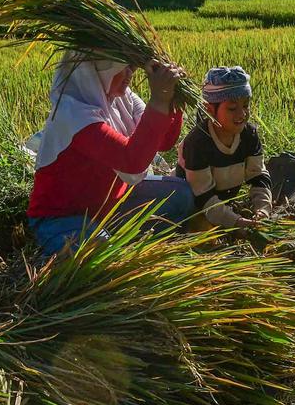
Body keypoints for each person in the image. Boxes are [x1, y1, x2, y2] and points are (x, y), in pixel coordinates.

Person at [26, 53, 194, 257]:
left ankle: (121, 240)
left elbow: (164, 142)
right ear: (97, 70)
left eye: (132, 68)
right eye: (122, 68)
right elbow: (131, 162)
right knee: (104, 255)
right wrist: (158, 100)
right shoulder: (72, 114)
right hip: (64, 217)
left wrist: (172, 102)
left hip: (112, 204)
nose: (130, 74)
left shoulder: (122, 98)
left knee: (181, 194)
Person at [177, 66, 273, 228]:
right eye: (232, 108)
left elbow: (258, 176)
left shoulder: (249, 135)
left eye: (245, 105)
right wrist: (236, 222)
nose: (242, 114)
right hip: (193, 207)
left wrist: (262, 210)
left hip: (221, 205)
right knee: (205, 234)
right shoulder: (197, 143)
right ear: (210, 110)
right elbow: (203, 197)